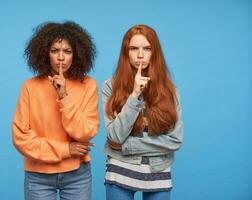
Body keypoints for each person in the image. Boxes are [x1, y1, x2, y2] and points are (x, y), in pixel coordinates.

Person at [12, 21, 99, 200]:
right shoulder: (30, 87)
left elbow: (85, 132)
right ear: (45, 53)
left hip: (77, 176)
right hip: (38, 176)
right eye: (54, 51)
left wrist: (64, 96)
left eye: (67, 51)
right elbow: (21, 138)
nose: (61, 57)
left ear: (76, 54)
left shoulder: (88, 85)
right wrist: (66, 149)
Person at [101, 24, 184, 200]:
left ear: (155, 53)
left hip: (158, 169)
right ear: (126, 53)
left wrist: (127, 146)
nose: (140, 55)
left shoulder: (170, 91)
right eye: (134, 48)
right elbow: (114, 136)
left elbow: (175, 140)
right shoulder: (110, 87)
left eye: (147, 48)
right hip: (120, 169)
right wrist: (135, 95)